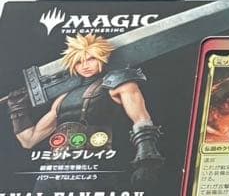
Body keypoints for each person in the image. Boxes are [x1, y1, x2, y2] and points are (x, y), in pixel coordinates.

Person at [11, 33, 162, 184]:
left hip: (95, 165)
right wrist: (18, 109)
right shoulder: (63, 98)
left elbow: (141, 119)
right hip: (54, 170)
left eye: (91, 59)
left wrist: (146, 160)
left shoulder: (119, 83)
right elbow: (29, 140)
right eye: (78, 62)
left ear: (102, 57)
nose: (85, 66)